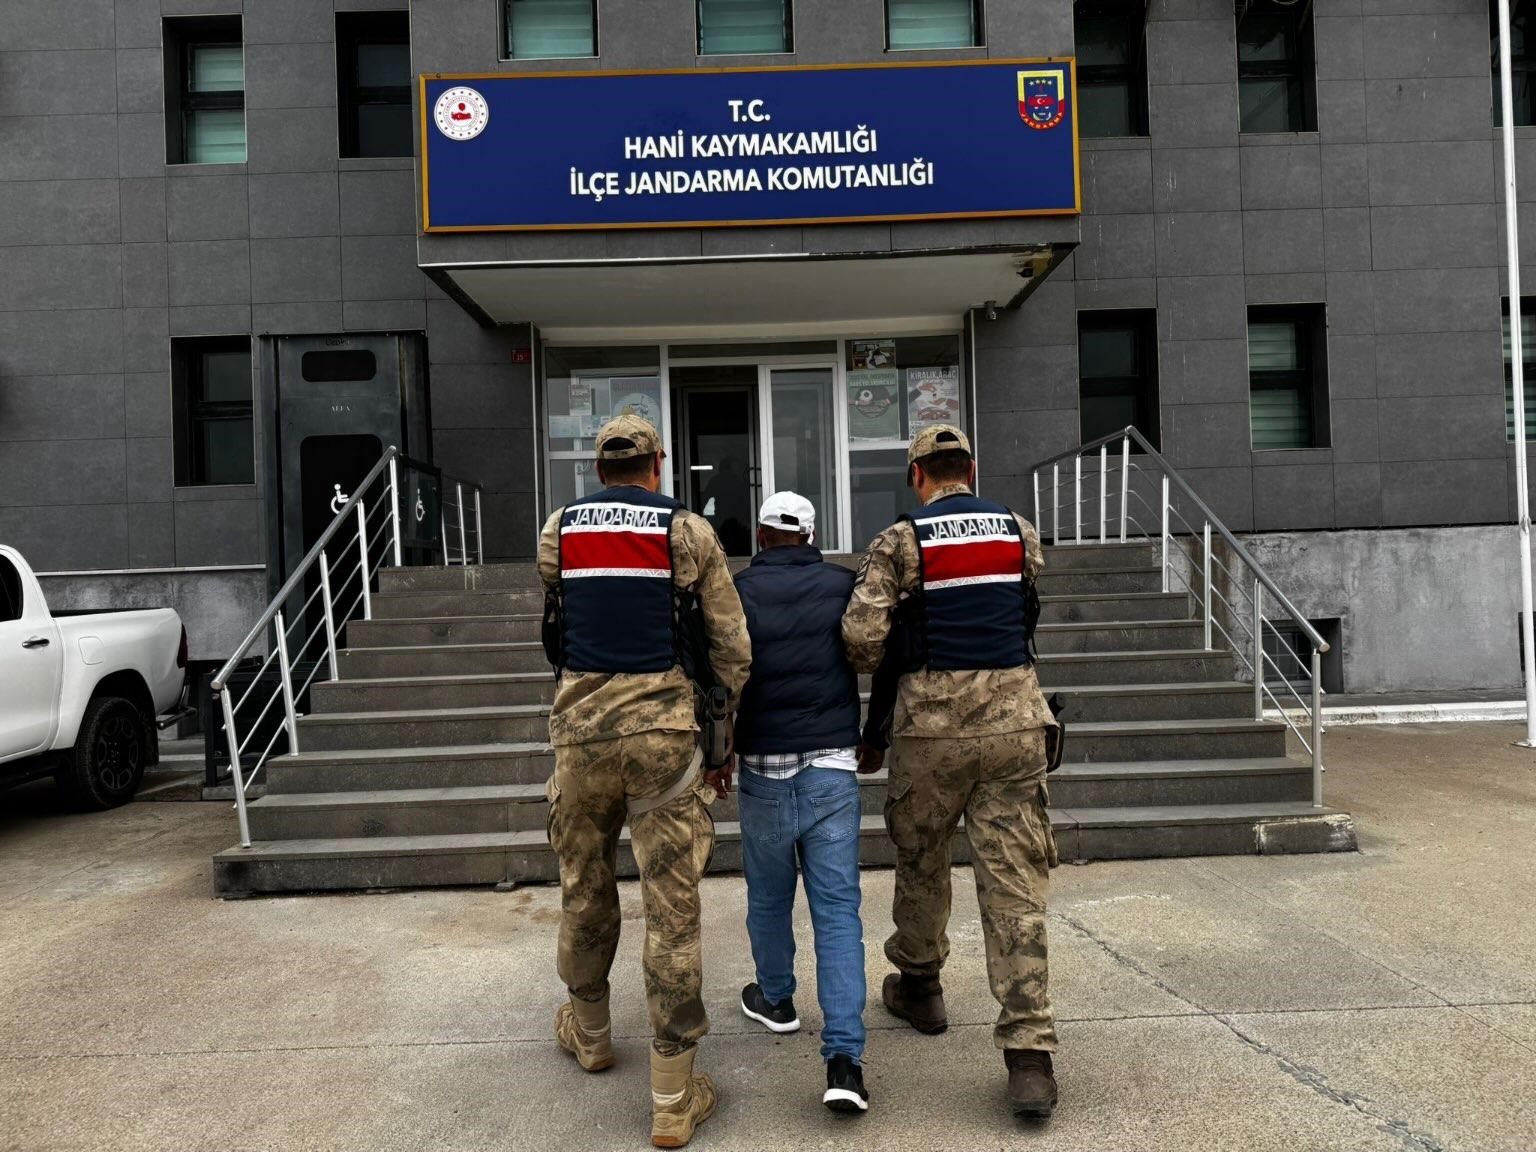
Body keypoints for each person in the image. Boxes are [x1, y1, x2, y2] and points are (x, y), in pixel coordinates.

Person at [537, 414, 751, 1149]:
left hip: (581, 738)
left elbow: (561, 621)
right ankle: (672, 1098)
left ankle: (591, 1034)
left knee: (584, 884)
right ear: (658, 462)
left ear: (600, 469)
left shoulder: (559, 529)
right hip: (664, 740)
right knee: (673, 909)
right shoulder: (687, 532)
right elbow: (731, 646)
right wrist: (721, 729)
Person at [842, 424, 1062, 1120]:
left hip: (931, 732)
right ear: (971, 468)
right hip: (1015, 725)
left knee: (922, 860)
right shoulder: (1018, 530)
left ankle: (921, 986)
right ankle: (1028, 1056)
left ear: (918, 475)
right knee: (1014, 882)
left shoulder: (900, 542)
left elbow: (861, 643)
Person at [731, 492, 871, 1115]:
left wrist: (716, 755)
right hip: (832, 766)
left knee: (768, 896)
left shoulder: (738, 590)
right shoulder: (844, 586)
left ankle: (777, 998)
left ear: (761, 535)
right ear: (812, 536)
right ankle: (844, 1062)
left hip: (763, 765)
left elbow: (722, 672)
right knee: (837, 911)